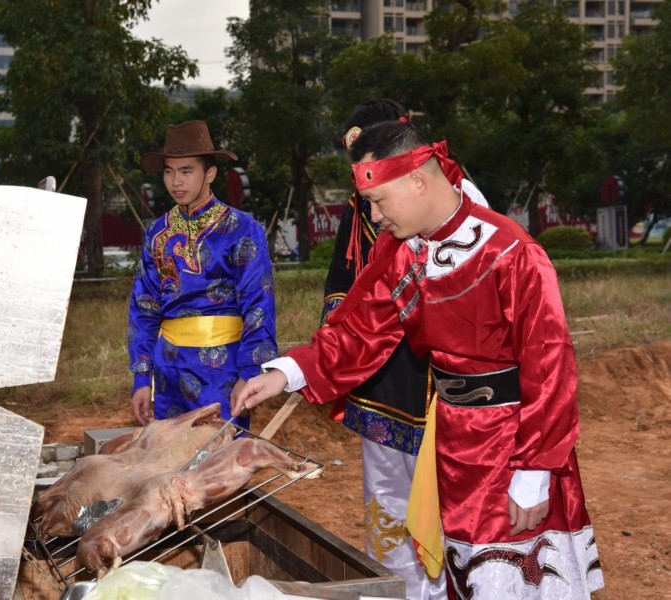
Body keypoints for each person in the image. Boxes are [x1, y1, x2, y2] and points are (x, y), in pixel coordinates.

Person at [233, 121, 604, 599]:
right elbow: (360, 332)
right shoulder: (406, 253)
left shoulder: (510, 251)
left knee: (512, 580)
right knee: (462, 573)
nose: (374, 215)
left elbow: (551, 367)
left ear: (418, 181)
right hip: (451, 442)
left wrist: (535, 471)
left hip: (512, 446)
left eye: (379, 201)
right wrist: (285, 372)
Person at [322, 99, 490, 600]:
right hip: (381, 381)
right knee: (387, 502)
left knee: (442, 505)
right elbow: (349, 287)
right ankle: (396, 592)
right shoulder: (363, 206)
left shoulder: (462, 200)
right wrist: (327, 353)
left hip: (444, 386)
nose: (374, 206)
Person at [128, 120, 277, 431]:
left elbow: (258, 306)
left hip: (221, 374)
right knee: (171, 468)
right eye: (168, 171)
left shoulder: (242, 228)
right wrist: (142, 377)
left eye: (186, 171)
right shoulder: (157, 233)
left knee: (219, 467)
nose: (175, 181)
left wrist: (249, 375)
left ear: (209, 173)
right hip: (167, 372)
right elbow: (143, 308)